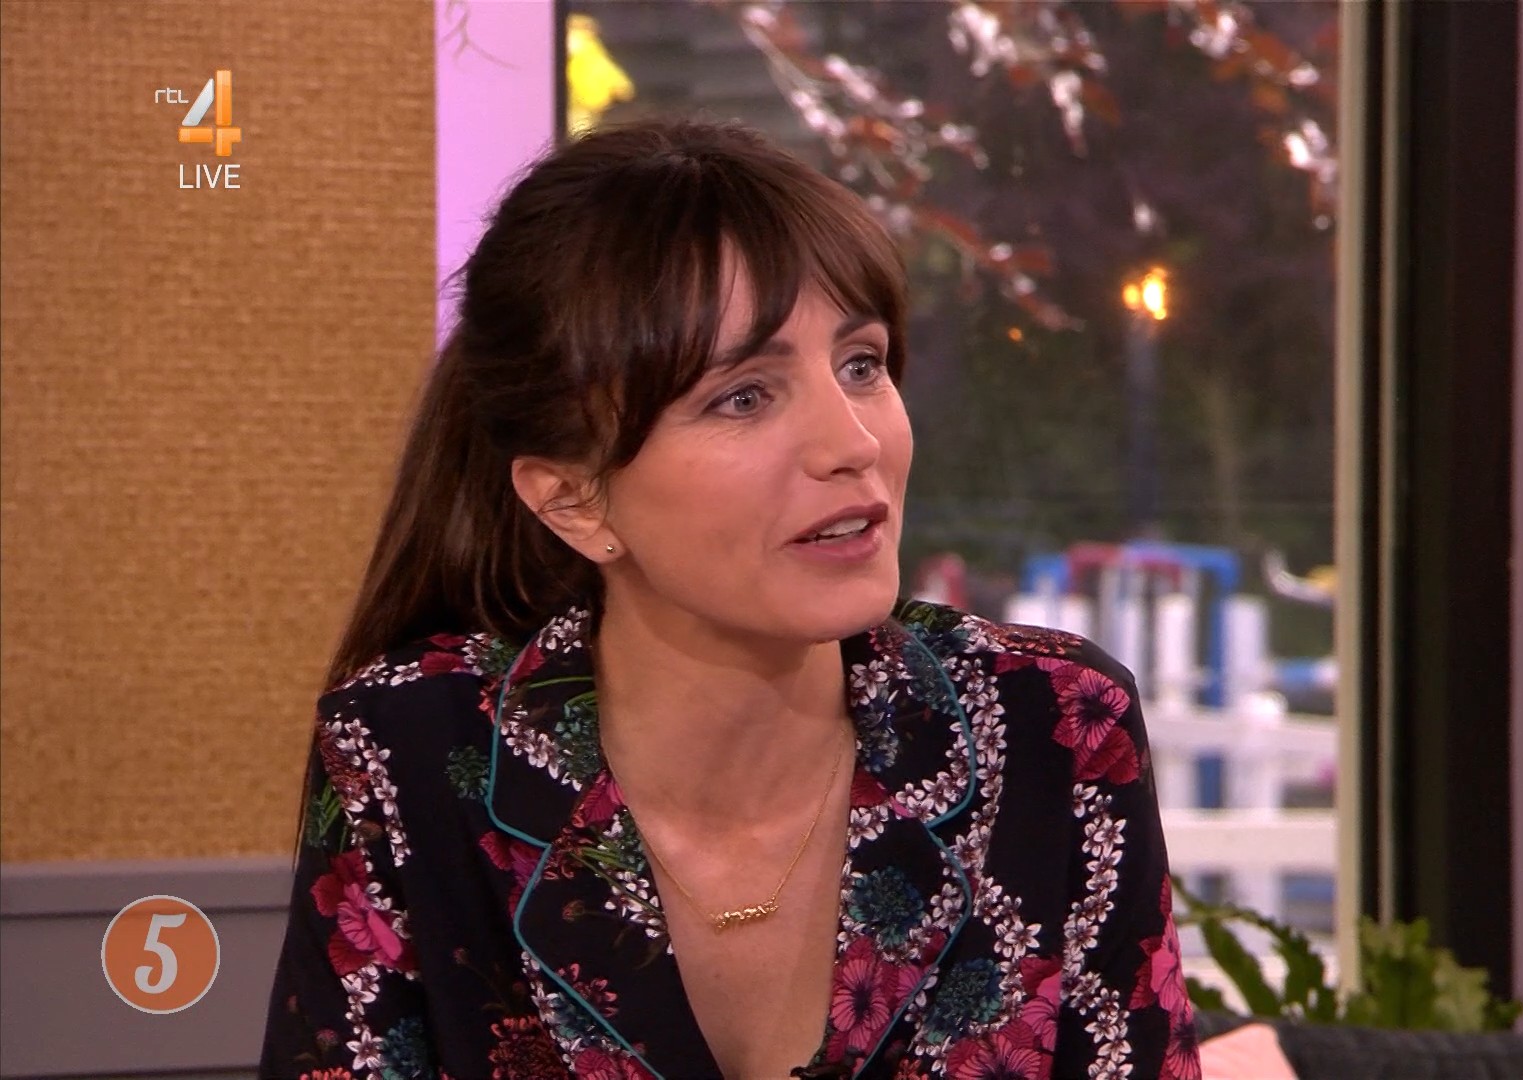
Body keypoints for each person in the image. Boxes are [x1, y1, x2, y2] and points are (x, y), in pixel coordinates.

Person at [260, 116, 1197, 1080]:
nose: (852, 444)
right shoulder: (413, 751)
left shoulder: (1053, 725)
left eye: (862, 365)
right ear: (574, 500)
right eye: (743, 396)